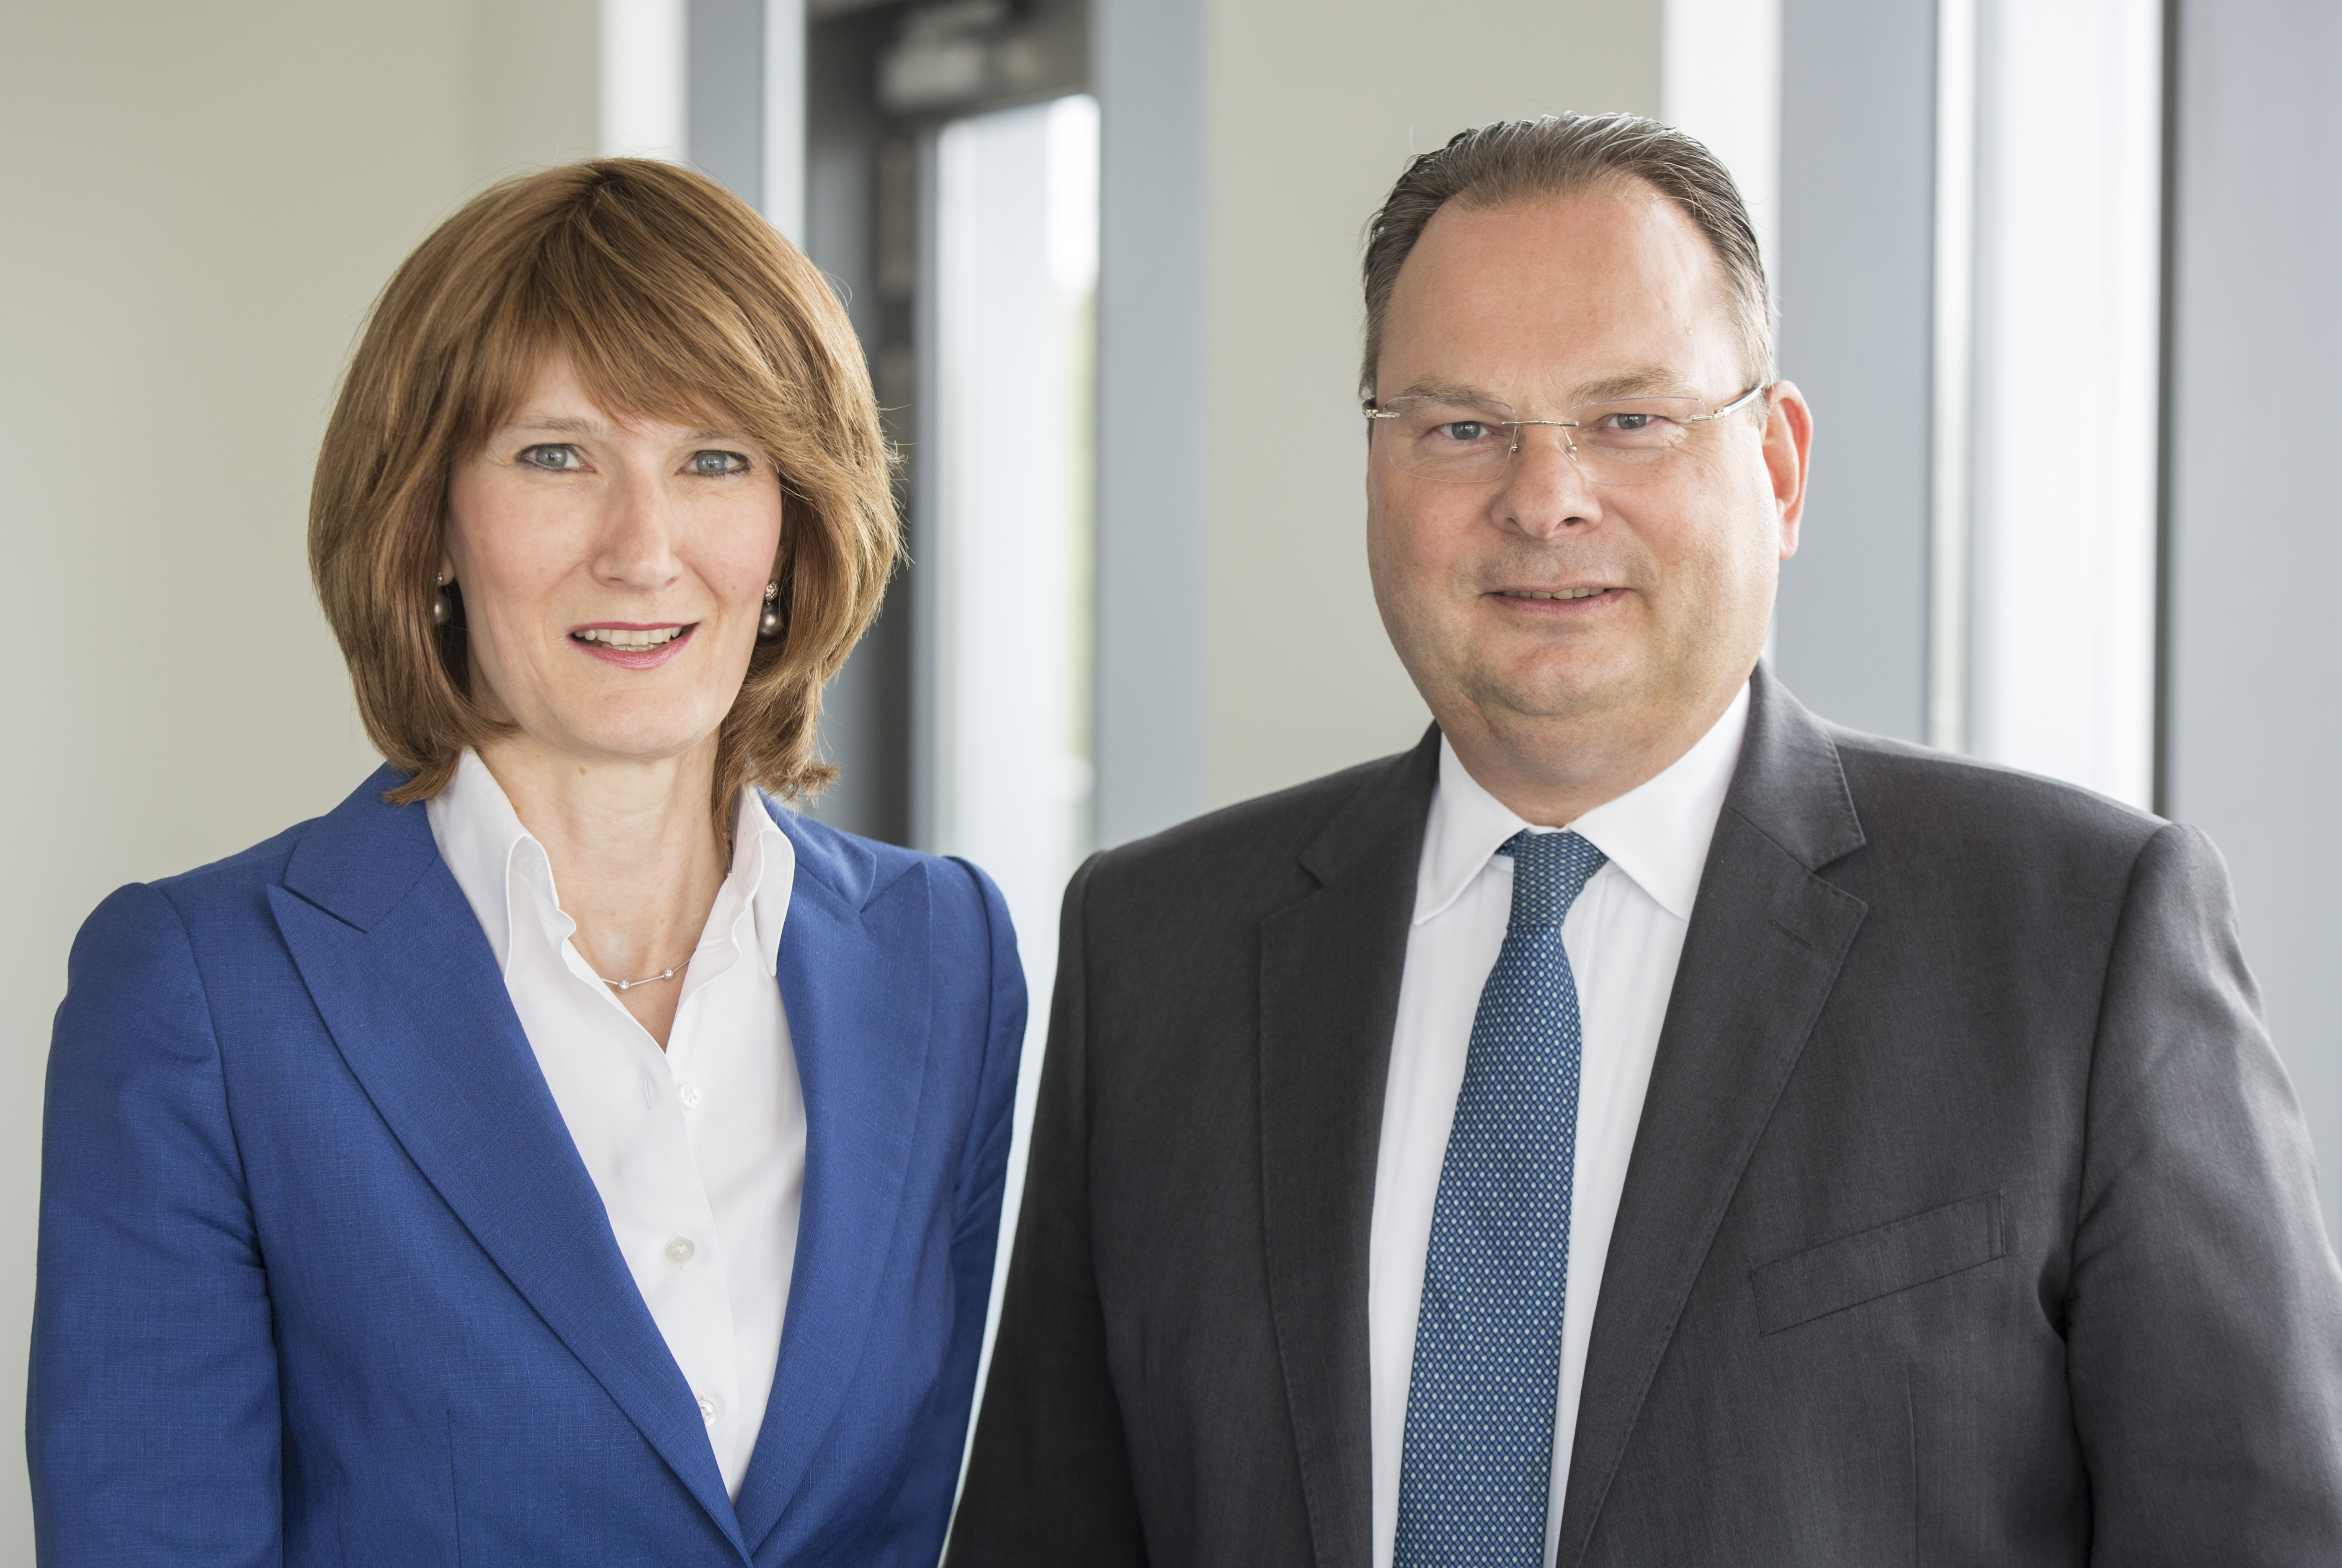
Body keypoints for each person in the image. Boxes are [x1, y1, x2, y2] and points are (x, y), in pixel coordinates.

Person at [949, 113, 2342, 1568]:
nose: (1544, 497)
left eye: (1629, 418)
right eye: (1460, 426)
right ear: (1375, 476)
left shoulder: (2076, 934)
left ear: (1780, 467)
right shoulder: (1156, 947)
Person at [28, 160, 1024, 1565]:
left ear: (794, 527)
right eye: (555, 455)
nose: (643, 548)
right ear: (430, 516)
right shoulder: (202, 991)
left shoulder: (945, 955)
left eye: (716, 458)